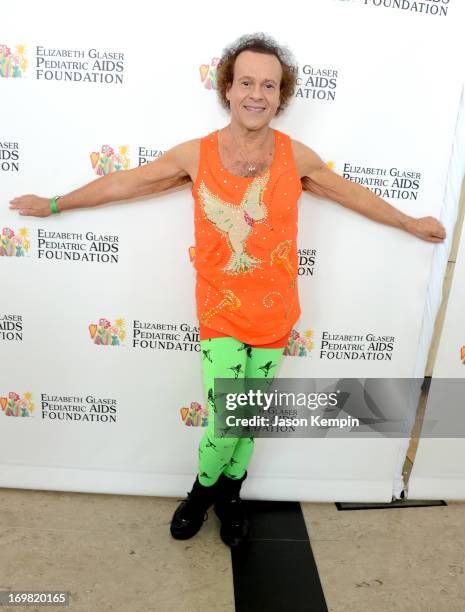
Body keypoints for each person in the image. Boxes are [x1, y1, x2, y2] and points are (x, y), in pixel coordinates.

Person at [9, 33, 446, 548]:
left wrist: (409, 222)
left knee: (249, 419)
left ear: (281, 95)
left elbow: (350, 194)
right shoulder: (197, 154)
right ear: (228, 89)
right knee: (225, 418)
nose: (256, 94)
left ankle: (230, 496)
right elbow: (126, 182)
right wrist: (57, 204)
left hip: (277, 314)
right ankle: (199, 496)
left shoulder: (297, 157)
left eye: (268, 84)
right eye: (245, 83)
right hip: (220, 313)